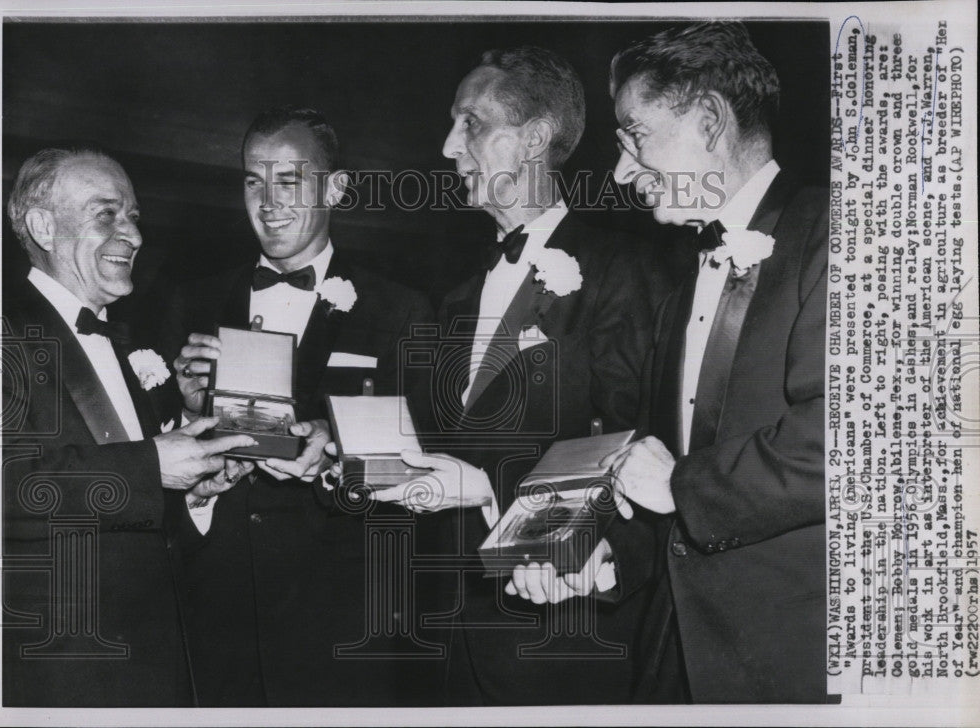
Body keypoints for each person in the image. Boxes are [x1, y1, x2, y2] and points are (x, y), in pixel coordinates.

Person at [510, 22, 829, 704]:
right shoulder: (680, 286)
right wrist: (595, 564)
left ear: (710, 119)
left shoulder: (840, 233)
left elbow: (851, 441)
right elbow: (665, 496)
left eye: (635, 135)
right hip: (672, 666)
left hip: (796, 672)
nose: (622, 170)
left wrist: (681, 484)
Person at [373, 46, 674, 704]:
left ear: (535, 138)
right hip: (440, 654)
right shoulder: (450, 296)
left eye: (470, 123)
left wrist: (484, 489)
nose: (449, 145)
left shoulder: (623, 272)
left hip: (558, 649)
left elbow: (629, 453)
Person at [157, 106, 436, 706]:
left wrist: (332, 451)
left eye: (290, 180)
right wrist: (186, 412)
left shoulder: (400, 310)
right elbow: (154, 462)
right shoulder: (190, 302)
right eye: (253, 181)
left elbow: (419, 468)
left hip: (341, 621)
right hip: (218, 614)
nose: (268, 201)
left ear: (336, 187)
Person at [1, 148, 256, 706]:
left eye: (134, 216)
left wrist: (193, 495)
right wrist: (152, 466)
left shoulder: (127, 342)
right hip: (61, 672)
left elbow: (139, 510)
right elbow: (4, 490)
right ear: (44, 227)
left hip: (157, 664)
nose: (133, 235)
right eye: (106, 214)